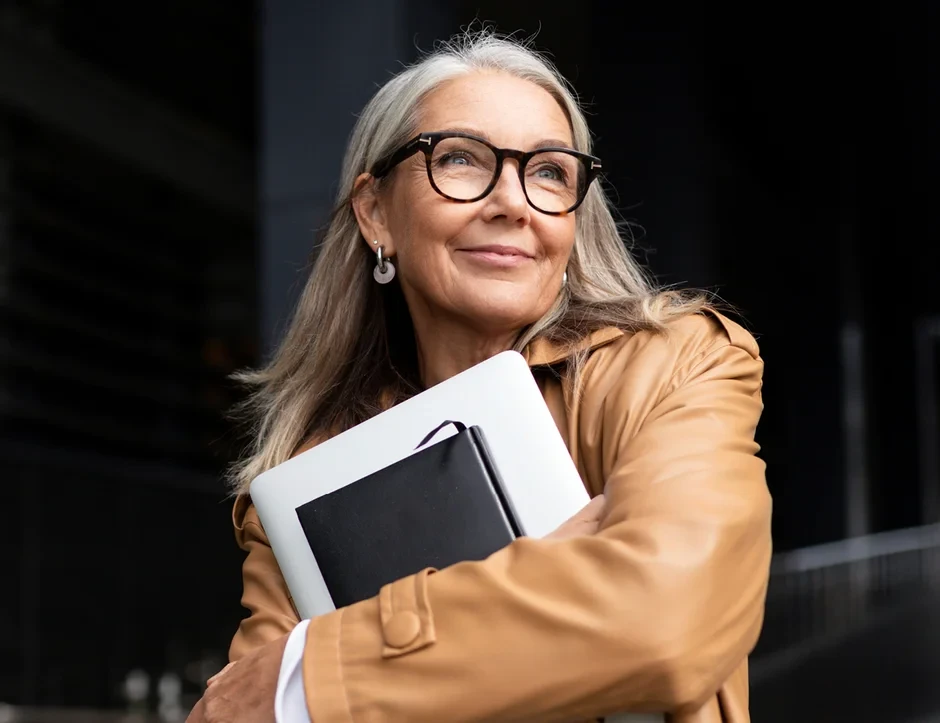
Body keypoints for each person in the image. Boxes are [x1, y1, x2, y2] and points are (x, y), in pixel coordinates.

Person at [187, 29, 772, 723]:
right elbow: (238, 710)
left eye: (550, 171)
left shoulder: (676, 363)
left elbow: (667, 620)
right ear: (376, 212)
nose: (513, 202)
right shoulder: (304, 478)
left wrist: (317, 672)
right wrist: (556, 574)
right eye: (461, 159)